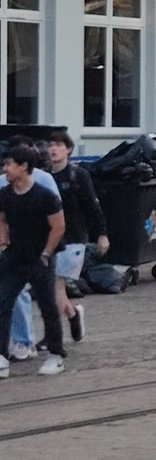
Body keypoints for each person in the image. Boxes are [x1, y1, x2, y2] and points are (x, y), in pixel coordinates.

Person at [0, 145, 66, 377]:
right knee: (2, 302)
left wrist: (46, 253)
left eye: (9, 164)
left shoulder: (44, 196)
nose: (5, 169)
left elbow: (58, 226)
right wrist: (3, 242)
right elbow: (2, 219)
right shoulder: (5, 195)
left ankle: (56, 355)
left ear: (23, 166)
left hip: (40, 259)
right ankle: (1, 357)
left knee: (48, 306)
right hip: (14, 257)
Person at [44, 131, 101, 345]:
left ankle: (53, 334)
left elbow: (92, 206)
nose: (53, 149)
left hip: (73, 238)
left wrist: (101, 234)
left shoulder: (78, 176)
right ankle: (72, 314)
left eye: (58, 145)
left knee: (53, 287)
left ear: (68, 149)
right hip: (49, 239)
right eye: (51, 145)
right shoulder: (45, 176)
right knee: (53, 289)